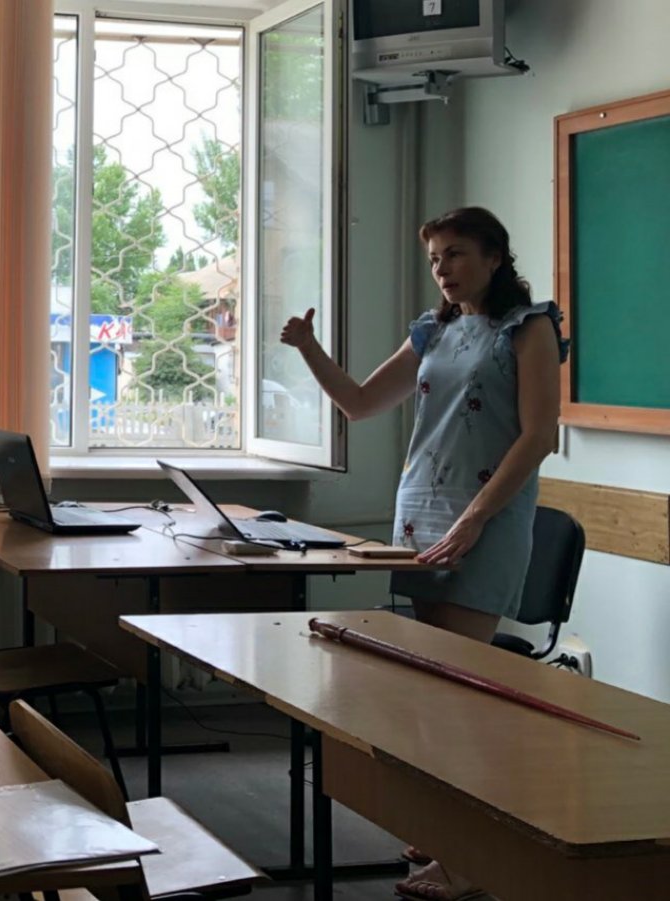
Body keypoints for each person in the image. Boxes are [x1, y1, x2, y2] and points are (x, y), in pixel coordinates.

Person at [280, 207, 565, 901]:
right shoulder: (434, 330)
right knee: (424, 691)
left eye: (456, 254)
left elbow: (538, 436)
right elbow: (358, 403)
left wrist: (475, 518)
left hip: (485, 520)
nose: (443, 269)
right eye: (435, 258)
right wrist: (309, 348)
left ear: (495, 257)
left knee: (458, 696)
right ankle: (442, 831)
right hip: (421, 521)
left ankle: (470, 862)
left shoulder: (527, 328)